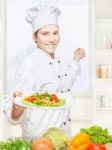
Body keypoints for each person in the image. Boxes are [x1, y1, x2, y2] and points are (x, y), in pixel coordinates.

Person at [4, 4, 85, 140]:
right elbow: (14, 113)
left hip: (61, 137)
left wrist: (75, 60)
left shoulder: (55, 60)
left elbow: (63, 87)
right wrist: (17, 105)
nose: (52, 39)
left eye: (55, 33)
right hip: (39, 140)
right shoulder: (31, 64)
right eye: (45, 34)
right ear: (35, 37)